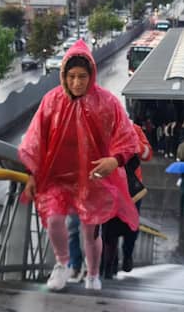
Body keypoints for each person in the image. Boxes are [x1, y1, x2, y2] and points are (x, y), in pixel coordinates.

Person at [19, 39, 140, 292]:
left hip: (92, 179)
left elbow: (127, 137)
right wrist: (31, 174)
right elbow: (35, 139)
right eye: (71, 76)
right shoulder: (51, 101)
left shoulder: (106, 102)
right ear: (64, 76)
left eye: (82, 76)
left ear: (91, 75)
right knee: (54, 221)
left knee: (89, 232)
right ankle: (62, 264)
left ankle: (93, 274)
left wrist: (114, 160)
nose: (76, 83)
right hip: (57, 177)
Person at [100, 122, 153, 278]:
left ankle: (127, 254)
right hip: (109, 185)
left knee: (131, 225)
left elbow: (148, 154)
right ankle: (108, 264)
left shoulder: (134, 129)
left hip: (131, 189)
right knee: (108, 228)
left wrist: (135, 143)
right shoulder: (103, 127)